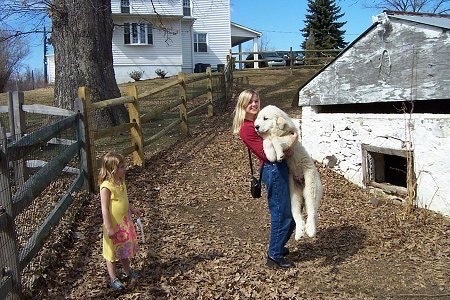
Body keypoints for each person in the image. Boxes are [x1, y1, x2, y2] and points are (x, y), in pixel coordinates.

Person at [232, 89, 297, 269]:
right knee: (281, 213)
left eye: (256, 100)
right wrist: (289, 145)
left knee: (291, 212)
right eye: (249, 102)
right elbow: (267, 154)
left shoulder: (260, 121)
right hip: (273, 169)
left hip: (279, 167)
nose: (254, 104)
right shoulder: (247, 128)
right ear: (242, 106)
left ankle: (278, 246)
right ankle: (274, 256)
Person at [98, 152, 140, 290]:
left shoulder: (121, 180)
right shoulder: (106, 187)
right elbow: (104, 209)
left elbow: (124, 199)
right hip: (113, 226)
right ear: (112, 170)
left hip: (124, 224)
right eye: (122, 167)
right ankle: (113, 278)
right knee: (111, 253)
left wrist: (132, 209)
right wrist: (109, 227)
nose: (125, 169)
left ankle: (128, 272)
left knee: (123, 251)